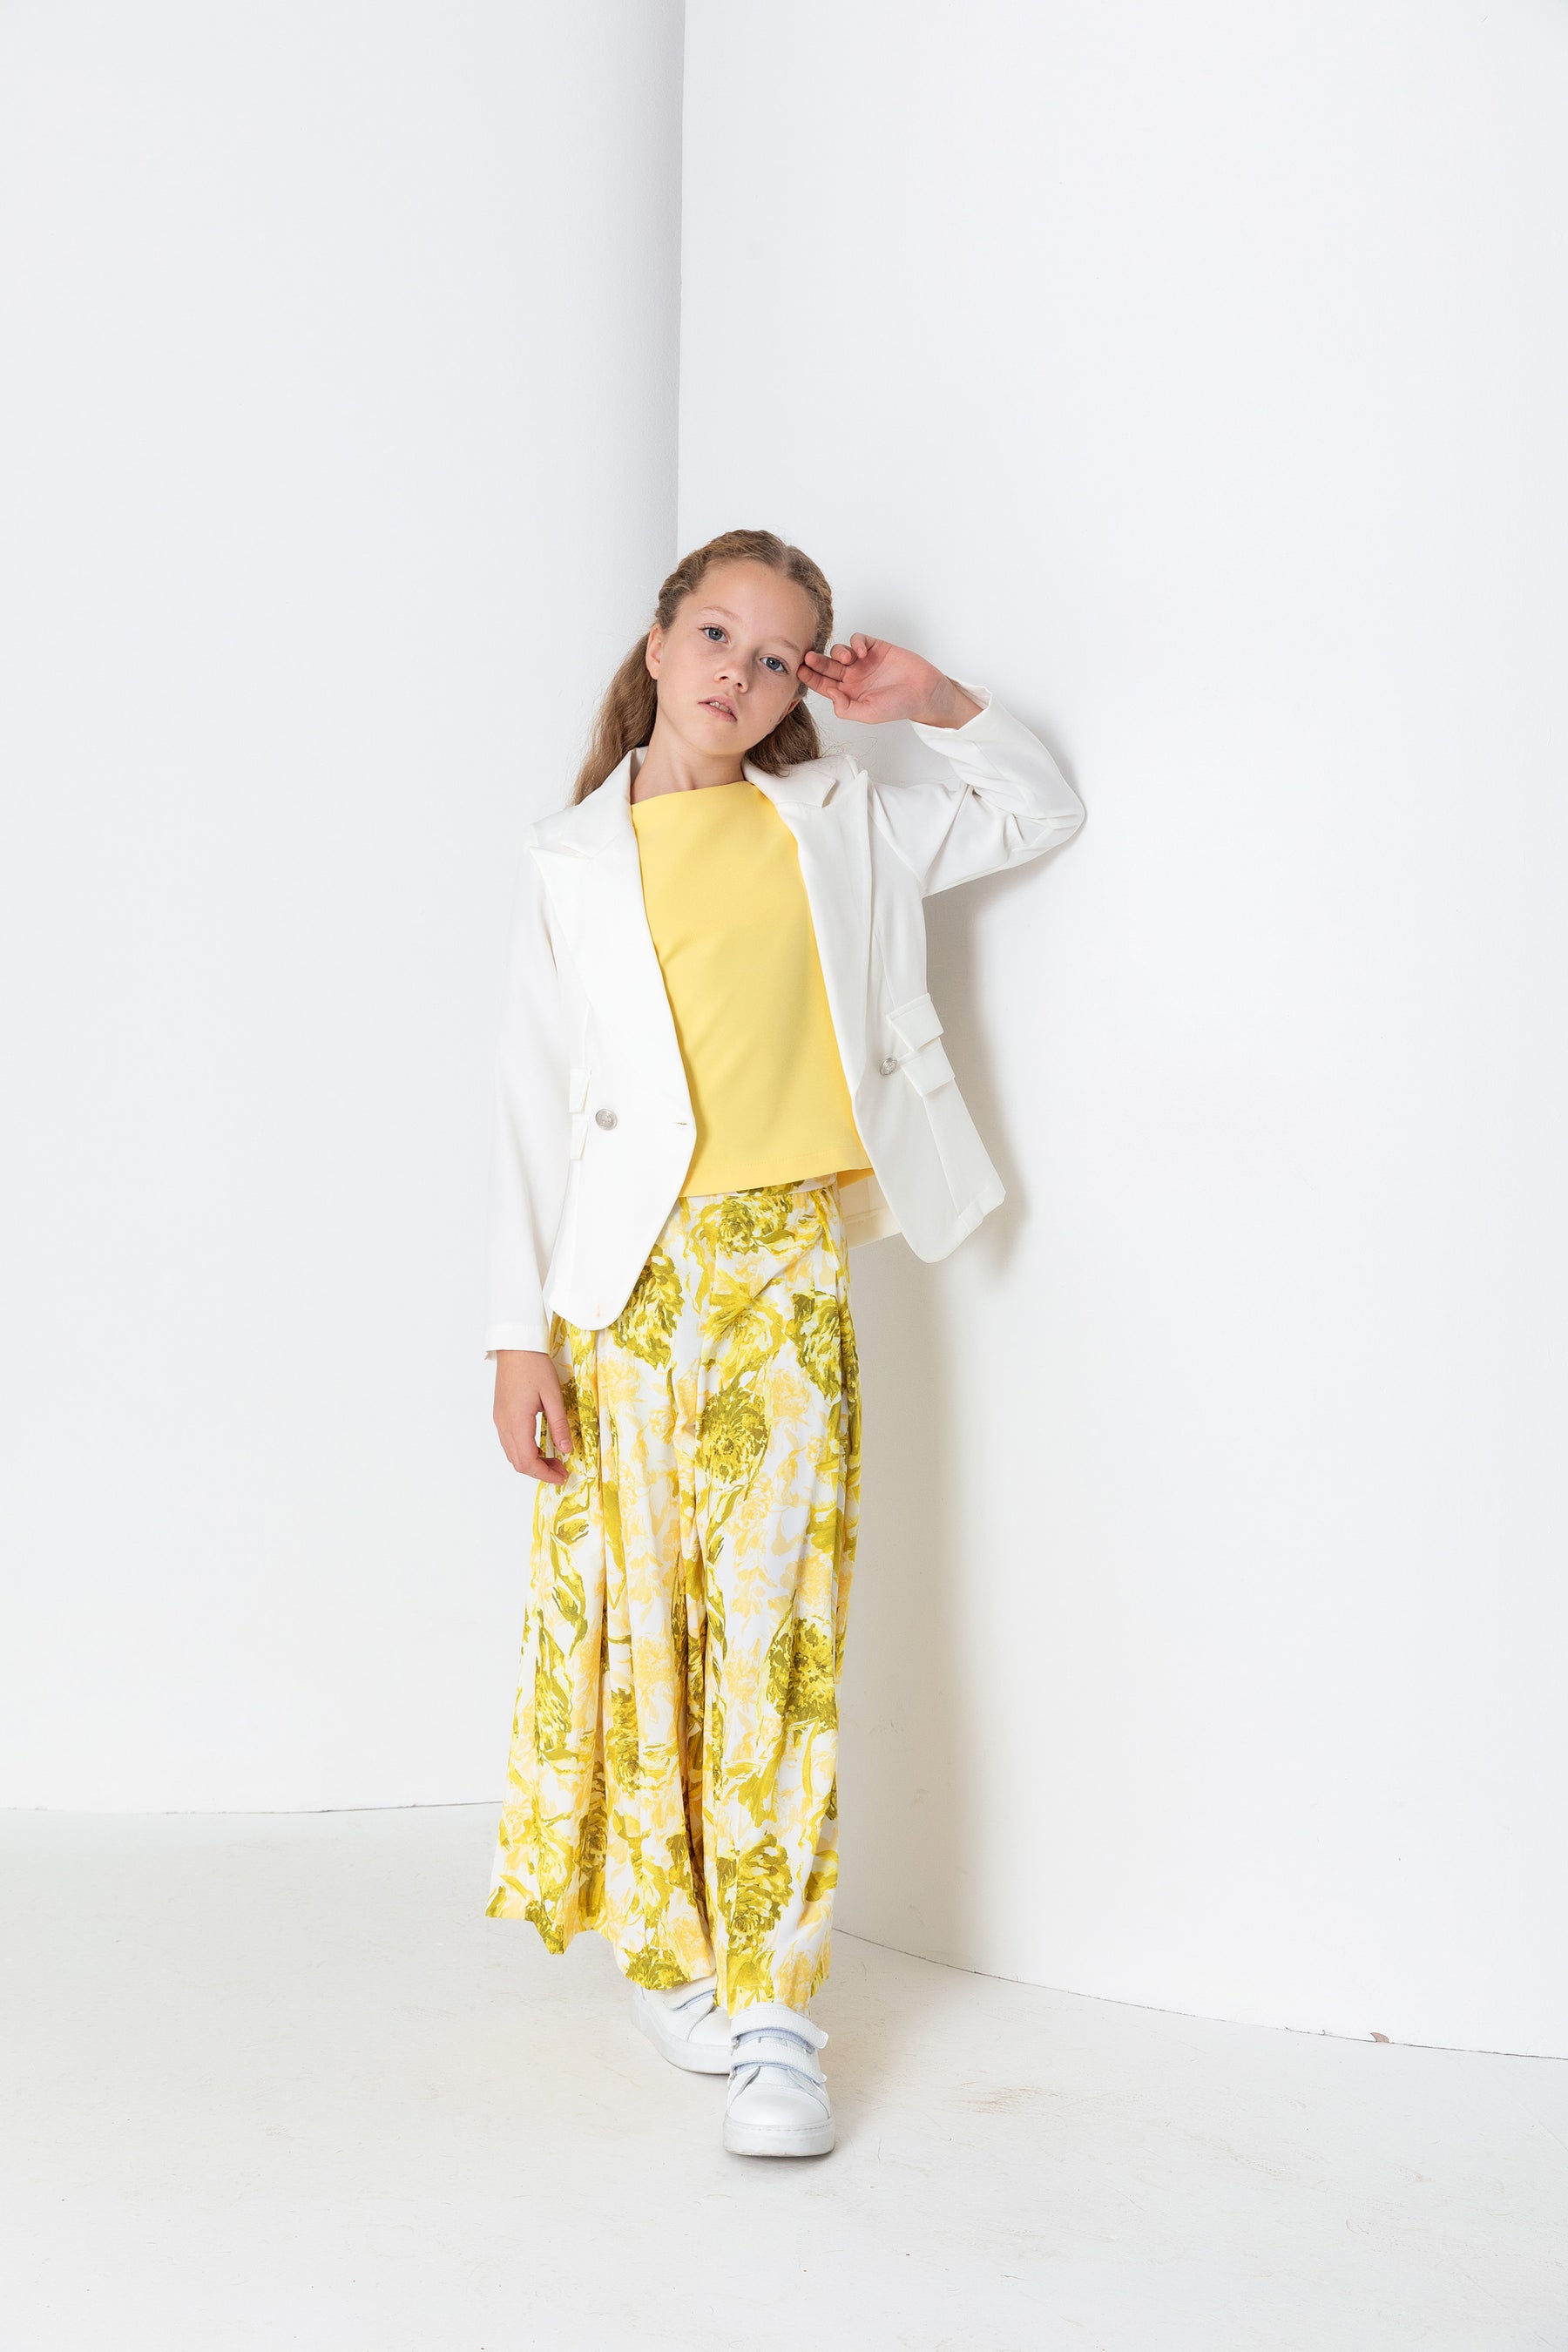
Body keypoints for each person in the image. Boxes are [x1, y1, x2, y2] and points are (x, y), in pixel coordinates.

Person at [482, 526, 1085, 2158]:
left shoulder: (839, 821)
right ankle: (671, 1951)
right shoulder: (571, 858)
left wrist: (933, 700)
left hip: (783, 1274)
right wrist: (517, 1338)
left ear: (796, 686)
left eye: (773, 656)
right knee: (647, 1634)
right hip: (620, 1295)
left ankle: (774, 2014)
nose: (736, 675)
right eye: (714, 635)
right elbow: (530, 1105)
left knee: (777, 1636)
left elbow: (1039, 809)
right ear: (658, 642)